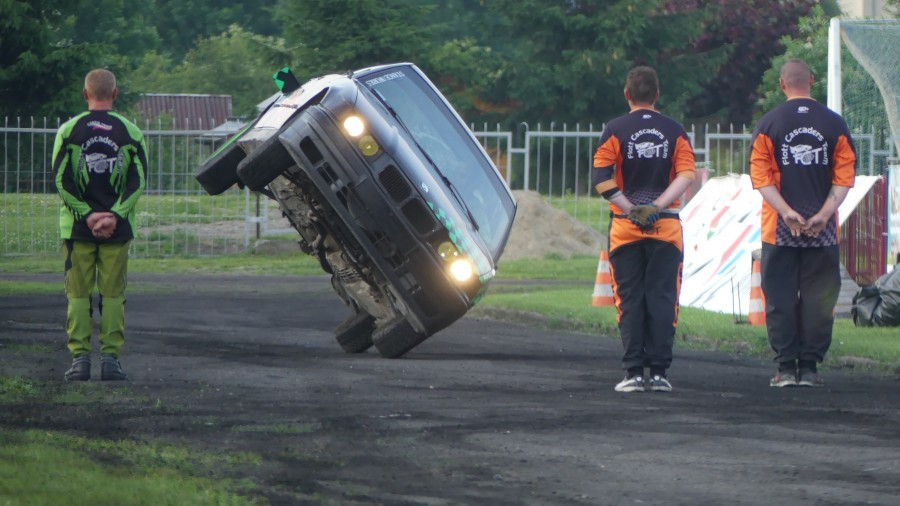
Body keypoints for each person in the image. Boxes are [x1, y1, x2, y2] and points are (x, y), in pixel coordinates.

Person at [750, 59, 856, 388]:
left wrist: (785, 212)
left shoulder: (768, 124)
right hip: (821, 231)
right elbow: (845, 175)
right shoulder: (834, 123)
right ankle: (809, 368)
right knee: (818, 299)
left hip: (778, 230)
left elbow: (761, 178)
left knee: (779, 297)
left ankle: (784, 369)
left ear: (782, 85)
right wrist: (824, 213)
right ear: (811, 80)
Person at [592, 66, 696, 392]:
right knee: (664, 299)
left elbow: (601, 179)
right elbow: (686, 175)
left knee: (629, 299)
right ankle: (661, 374)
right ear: (657, 96)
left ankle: (633, 373)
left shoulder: (614, 129)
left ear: (627, 95)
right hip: (666, 229)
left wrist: (631, 210)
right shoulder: (674, 130)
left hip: (624, 230)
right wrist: (658, 206)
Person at [52, 68, 148, 381]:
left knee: (78, 295)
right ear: (115, 94)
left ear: (85, 94)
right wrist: (114, 216)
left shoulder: (68, 131)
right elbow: (138, 181)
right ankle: (111, 362)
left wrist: (87, 216)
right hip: (117, 231)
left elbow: (61, 179)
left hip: (77, 230)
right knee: (113, 295)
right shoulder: (131, 133)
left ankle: (80, 361)